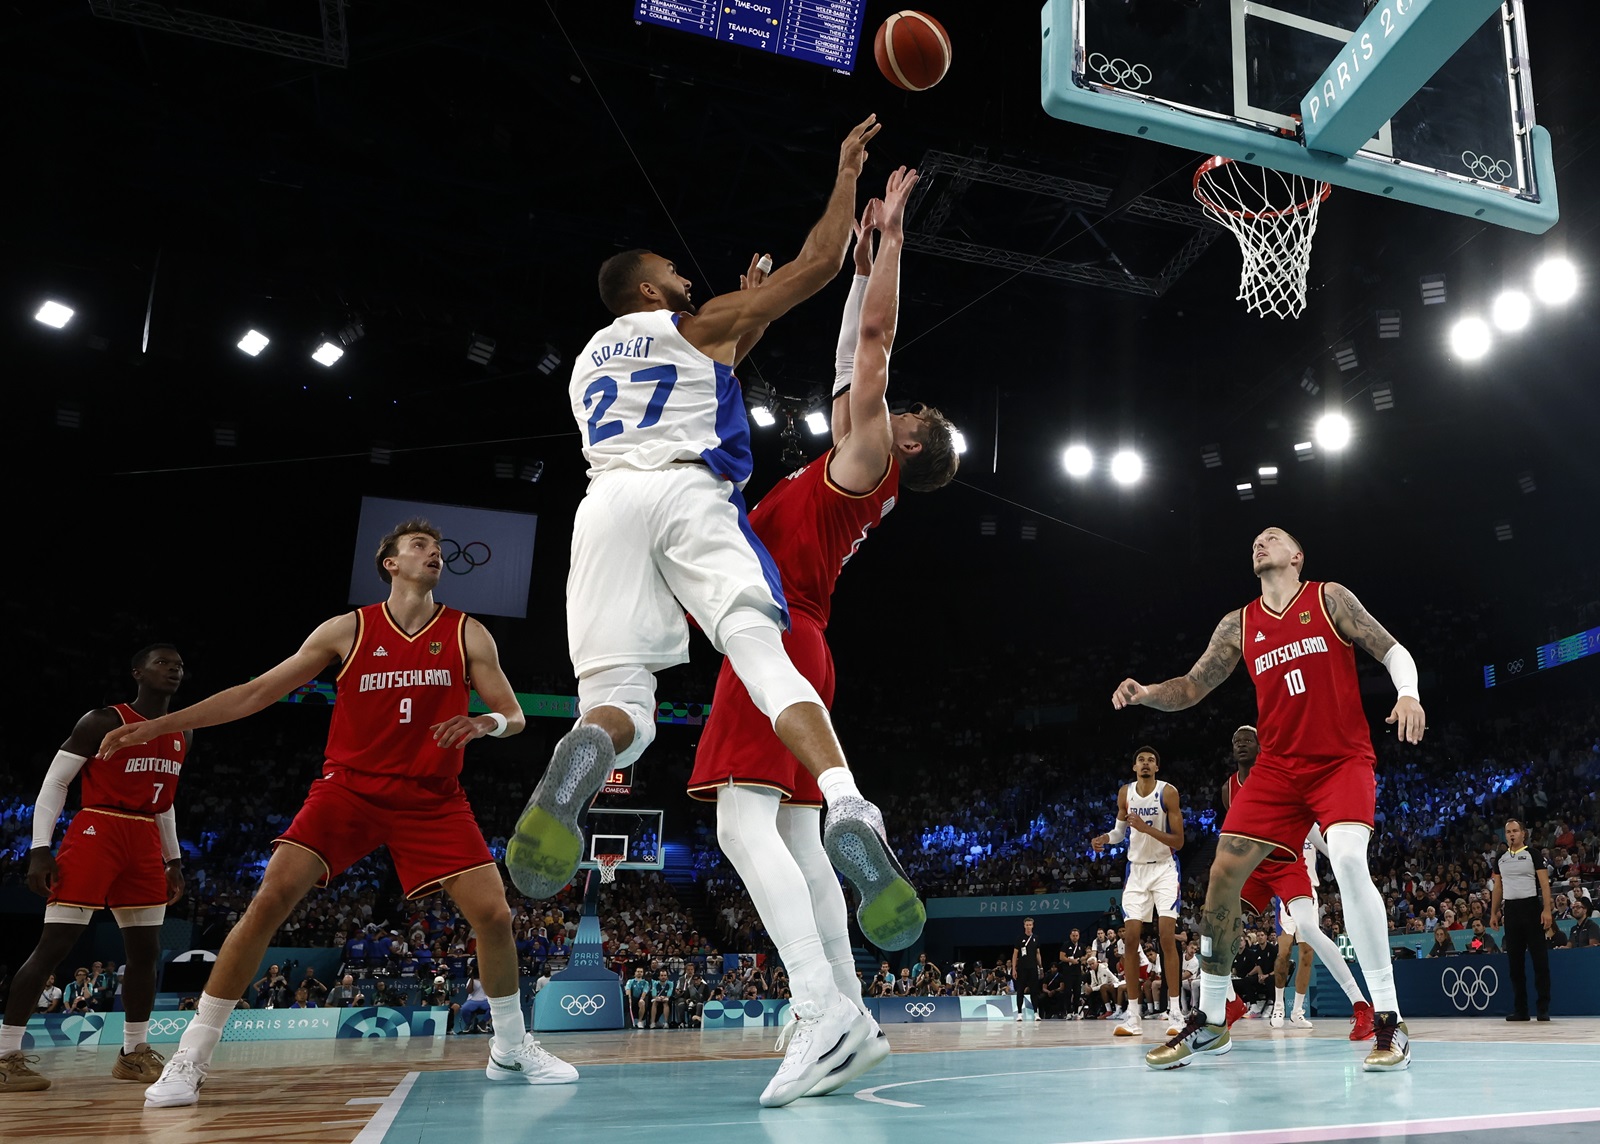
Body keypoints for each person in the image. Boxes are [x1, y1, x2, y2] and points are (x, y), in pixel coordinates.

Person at [507, 118, 925, 980]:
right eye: (673, 274)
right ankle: (851, 805)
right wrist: (844, 181)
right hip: (688, 495)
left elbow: (715, 362)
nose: (686, 278)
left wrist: (747, 316)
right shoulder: (694, 328)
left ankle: (577, 761)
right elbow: (810, 286)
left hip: (605, 504)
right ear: (649, 291)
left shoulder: (587, 363)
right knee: (762, 659)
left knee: (620, 707)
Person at [96, 519, 577, 1107]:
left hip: (431, 798)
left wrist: (485, 722)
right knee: (270, 899)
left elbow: (515, 714)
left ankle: (509, 1048)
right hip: (348, 791)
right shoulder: (347, 630)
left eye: (439, 549)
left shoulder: (467, 633)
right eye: (420, 547)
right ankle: (190, 1058)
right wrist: (157, 727)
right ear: (390, 563)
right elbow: (255, 693)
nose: (435, 554)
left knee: (495, 916)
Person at [680, 164, 955, 1106]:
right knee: (799, 845)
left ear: (909, 444)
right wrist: (861, 258)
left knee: (736, 820)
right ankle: (852, 1014)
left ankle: (817, 1008)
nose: (895, 404)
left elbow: (875, 342)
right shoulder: (854, 461)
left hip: (776, 639)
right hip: (805, 648)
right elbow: (850, 358)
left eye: (908, 413)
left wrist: (897, 242)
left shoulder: (873, 455)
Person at [1114, 527, 1426, 1071]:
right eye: (1255, 540)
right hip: (1277, 771)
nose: (1260, 543)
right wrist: (1147, 695)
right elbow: (1192, 685)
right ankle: (1212, 1020)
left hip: (1340, 761)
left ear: (1297, 556)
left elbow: (1392, 649)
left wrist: (1408, 694)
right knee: (1221, 876)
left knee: (1350, 862)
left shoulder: (1328, 598)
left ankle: (1390, 1020)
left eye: (1273, 538)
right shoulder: (1240, 623)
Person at [1, 644, 190, 1093]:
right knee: (53, 948)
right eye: (162, 663)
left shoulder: (182, 732)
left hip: (144, 838)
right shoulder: (104, 720)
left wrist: (175, 860)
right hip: (97, 830)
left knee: (145, 954)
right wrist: (40, 848)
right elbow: (56, 781)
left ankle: (133, 1054)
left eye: (179, 665)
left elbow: (165, 802)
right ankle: (5, 1055)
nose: (174, 669)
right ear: (137, 672)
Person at [1227, 727, 1375, 1039]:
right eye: (1236, 741)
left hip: (1287, 864)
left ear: (1261, 746)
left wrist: (1340, 853)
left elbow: (1310, 827)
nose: (1241, 745)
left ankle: (1361, 1006)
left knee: (1309, 931)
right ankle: (1229, 1001)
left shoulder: (1286, 778)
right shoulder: (1228, 788)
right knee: (1216, 919)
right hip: (1254, 866)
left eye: (1247, 740)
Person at [1092, 746, 1185, 1037]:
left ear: (1157, 767)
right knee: (1130, 939)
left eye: (1151, 761)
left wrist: (1146, 829)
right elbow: (1121, 832)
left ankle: (1176, 1012)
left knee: (1166, 937)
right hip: (1137, 872)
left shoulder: (1168, 793)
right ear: (1134, 767)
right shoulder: (1125, 793)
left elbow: (1179, 841)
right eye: (1141, 760)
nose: (1146, 764)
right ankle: (1133, 1016)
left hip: (1165, 869)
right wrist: (1105, 838)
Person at [1491, 818, 1553, 1021]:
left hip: (1531, 907)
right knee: (1514, 963)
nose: (1511, 834)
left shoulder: (1532, 854)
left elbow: (1544, 884)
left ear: (1523, 833)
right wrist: (1493, 913)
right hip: (1511, 910)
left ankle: (1543, 1008)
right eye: (1508, 831)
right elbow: (1498, 888)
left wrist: (1546, 910)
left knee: (1539, 960)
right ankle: (1521, 1010)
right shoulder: (1500, 858)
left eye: (1515, 831)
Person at [1012, 916, 1044, 1021]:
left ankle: (1036, 1013)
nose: (1028, 927)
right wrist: (1014, 969)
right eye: (1027, 925)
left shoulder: (1036, 938)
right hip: (1022, 968)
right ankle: (1019, 1013)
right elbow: (1015, 954)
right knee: (1020, 991)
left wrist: (1041, 967)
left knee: (1034, 991)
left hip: (1033, 968)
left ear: (1033, 926)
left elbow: (1038, 954)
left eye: (1030, 925)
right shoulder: (1019, 938)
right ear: (1024, 925)